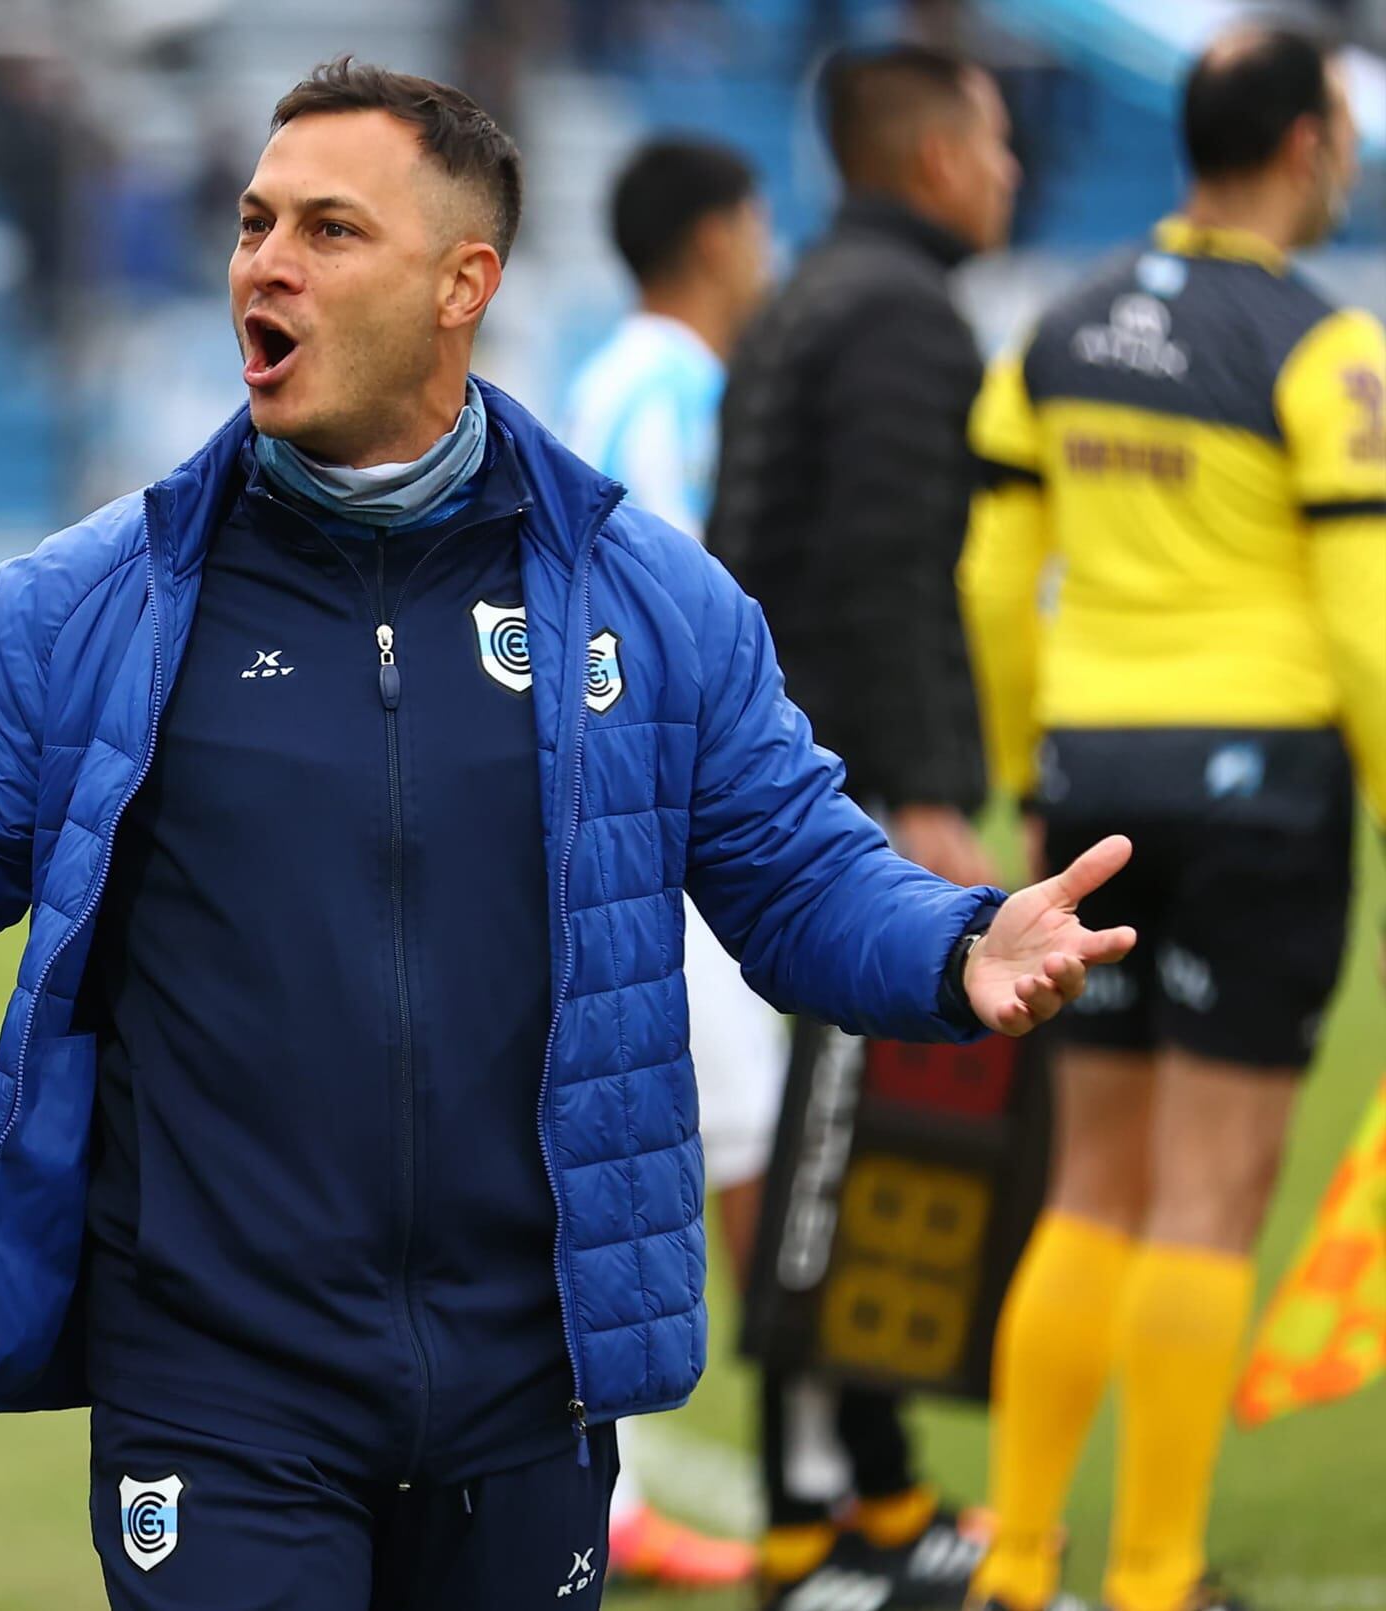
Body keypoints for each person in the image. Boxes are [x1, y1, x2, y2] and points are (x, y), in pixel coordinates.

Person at [0, 59, 1132, 1611]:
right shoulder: (90, 604)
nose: (265, 263)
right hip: (218, 1378)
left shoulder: (649, 600)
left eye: (331, 230)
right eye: (253, 222)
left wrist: (958, 942)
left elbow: (802, 872)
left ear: (460, 285)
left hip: (526, 1373)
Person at [960, 28, 1383, 1611]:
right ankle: (1150, 1579)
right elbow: (1366, 627)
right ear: (1299, 146)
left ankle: (1015, 1567)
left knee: (1092, 1186)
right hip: (1263, 788)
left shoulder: (1054, 331)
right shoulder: (1325, 347)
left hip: (1091, 787)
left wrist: (1021, 778)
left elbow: (996, 588)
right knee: (1206, 1202)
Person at [707, 43, 1022, 1610]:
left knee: (828, 1146)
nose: (1014, 172)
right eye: (996, 136)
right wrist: (922, 793)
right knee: (844, 1145)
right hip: (822, 806)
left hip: (768, 778)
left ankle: (858, 1504)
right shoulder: (900, 316)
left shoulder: (805, 298)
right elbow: (891, 574)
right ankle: (825, 1527)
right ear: (937, 152)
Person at [561, 135, 778, 1591]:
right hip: (672, 829)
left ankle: (636, 1486)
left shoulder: (613, 374)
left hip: (642, 823)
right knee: (726, 1136)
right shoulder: (669, 391)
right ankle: (809, 1466)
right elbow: (675, 619)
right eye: (758, 221)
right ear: (712, 236)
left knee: (674, 1140)